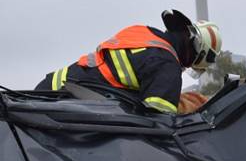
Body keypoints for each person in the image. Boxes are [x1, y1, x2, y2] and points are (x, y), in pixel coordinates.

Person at [36, 9, 221, 114]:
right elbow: (157, 121)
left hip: (48, 89)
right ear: (196, 49)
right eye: (191, 63)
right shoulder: (167, 64)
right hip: (64, 103)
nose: (186, 66)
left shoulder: (143, 33)